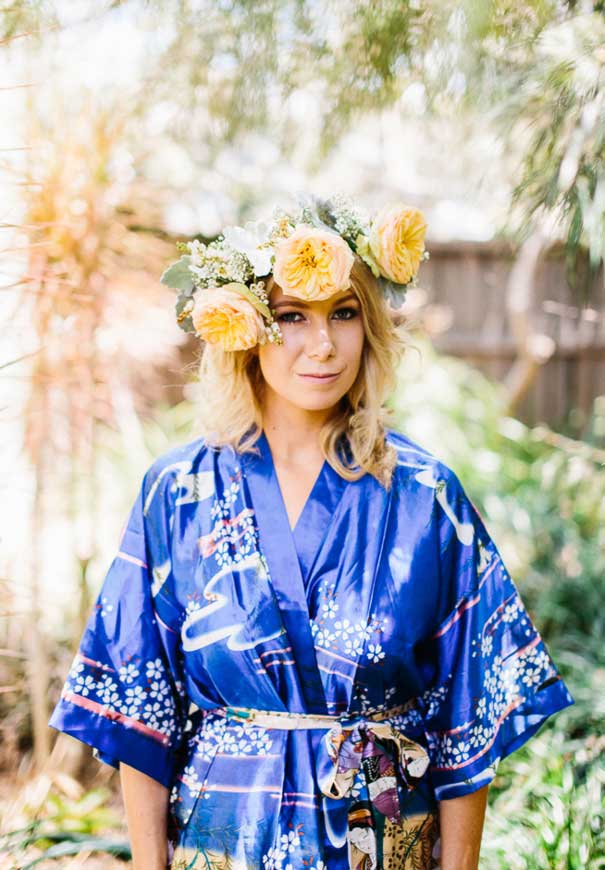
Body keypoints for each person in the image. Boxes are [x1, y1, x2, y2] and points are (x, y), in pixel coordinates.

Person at [49, 195, 573, 870]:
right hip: (226, 840)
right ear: (247, 327)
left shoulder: (424, 496)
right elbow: (140, 711)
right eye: (293, 315)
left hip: (385, 838)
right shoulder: (178, 493)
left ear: (370, 325)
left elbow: (467, 723)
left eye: (344, 314)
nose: (322, 344)